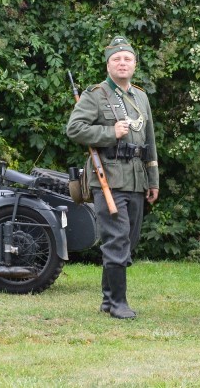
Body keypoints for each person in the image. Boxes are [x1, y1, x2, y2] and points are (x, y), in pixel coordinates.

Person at [66, 36, 159, 319]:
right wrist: (109, 133)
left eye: (127, 59)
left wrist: (153, 179)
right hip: (108, 175)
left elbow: (150, 140)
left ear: (134, 64)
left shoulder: (140, 96)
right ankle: (118, 303)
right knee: (116, 240)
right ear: (108, 65)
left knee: (128, 240)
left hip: (136, 177)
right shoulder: (96, 95)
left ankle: (108, 299)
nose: (122, 63)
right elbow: (75, 129)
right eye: (117, 59)